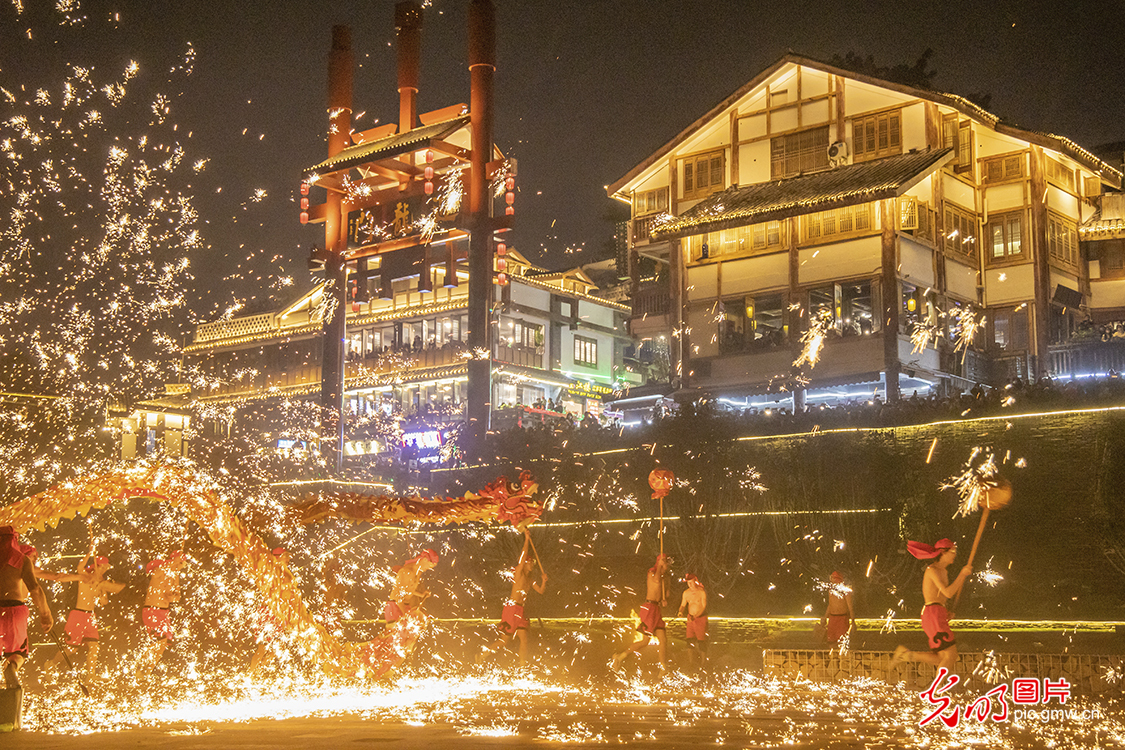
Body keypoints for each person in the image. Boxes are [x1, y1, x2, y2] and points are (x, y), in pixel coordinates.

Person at [892, 538, 972, 672]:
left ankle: (906, 655)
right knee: (951, 655)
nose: (954, 554)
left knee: (941, 658)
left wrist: (945, 611)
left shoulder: (944, 571)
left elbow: (940, 597)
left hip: (936, 613)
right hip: (932, 614)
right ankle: (936, 690)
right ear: (943, 552)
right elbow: (947, 593)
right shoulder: (932, 570)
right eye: (952, 551)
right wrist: (962, 575)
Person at [479, 530, 547, 668]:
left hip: (520, 611)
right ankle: (482, 655)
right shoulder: (519, 575)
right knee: (504, 641)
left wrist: (544, 581)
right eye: (530, 562)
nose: (532, 564)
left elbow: (540, 591)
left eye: (532, 562)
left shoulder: (530, 580)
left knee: (524, 639)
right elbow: (522, 557)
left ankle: (522, 666)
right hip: (511, 608)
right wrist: (527, 539)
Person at [0, 528, 53, 692]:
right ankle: (12, 668)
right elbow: (35, 589)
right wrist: (46, 614)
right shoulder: (22, 560)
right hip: (15, 610)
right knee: (17, 653)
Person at [55, 549, 125, 674]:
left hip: (90, 616)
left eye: (105, 568)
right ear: (96, 567)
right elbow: (80, 566)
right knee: (72, 648)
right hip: (78, 614)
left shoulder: (102, 582)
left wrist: (102, 591)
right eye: (102, 568)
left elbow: (104, 602)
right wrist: (89, 552)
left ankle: (90, 676)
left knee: (94, 647)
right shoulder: (85, 576)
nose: (104, 570)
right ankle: (51, 664)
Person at [611, 553, 671, 671]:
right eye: (664, 561)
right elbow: (657, 580)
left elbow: (666, 593)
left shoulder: (666, 577)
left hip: (657, 609)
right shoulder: (652, 572)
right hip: (649, 608)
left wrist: (665, 599)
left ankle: (663, 667)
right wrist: (659, 567)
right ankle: (620, 656)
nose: (667, 563)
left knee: (663, 639)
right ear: (659, 562)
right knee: (645, 641)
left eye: (666, 561)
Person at [139, 551, 184, 670]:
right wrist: (175, 562)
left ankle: (146, 671)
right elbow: (162, 569)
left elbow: (176, 597)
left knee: (162, 644)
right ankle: (141, 665)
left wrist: (173, 595)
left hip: (164, 613)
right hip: (152, 611)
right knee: (159, 642)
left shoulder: (173, 576)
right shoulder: (158, 574)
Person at [384, 549, 438, 625]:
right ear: (425, 560)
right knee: (398, 635)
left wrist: (421, 594)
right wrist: (406, 616)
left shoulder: (418, 573)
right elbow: (398, 598)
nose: (428, 569)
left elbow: (408, 590)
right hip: (395, 608)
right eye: (429, 566)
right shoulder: (407, 572)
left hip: (405, 606)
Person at [677, 573, 707, 672]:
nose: (690, 584)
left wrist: (696, 615)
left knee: (701, 641)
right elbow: (683, 605)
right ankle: (691, 662)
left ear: (695, 581)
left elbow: (703, 606)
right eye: (688, 583)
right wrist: (680, 612)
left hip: (700, 618)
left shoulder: (701, 592)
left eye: (691, 582)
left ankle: (703, 663)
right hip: (690, 619)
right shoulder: (686, 593)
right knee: (689, 641)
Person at [821, 571, 854, 646]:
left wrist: (853, 621)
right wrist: (825, 617)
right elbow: (830, 605)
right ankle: (832, 657)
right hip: (832, 618)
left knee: (842, 643)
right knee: (831, 642)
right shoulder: (831, 591)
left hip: (842, 619)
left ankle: (842, 657)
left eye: (833, 578)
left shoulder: (845, 591)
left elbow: (850, 606)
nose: (831, 579)